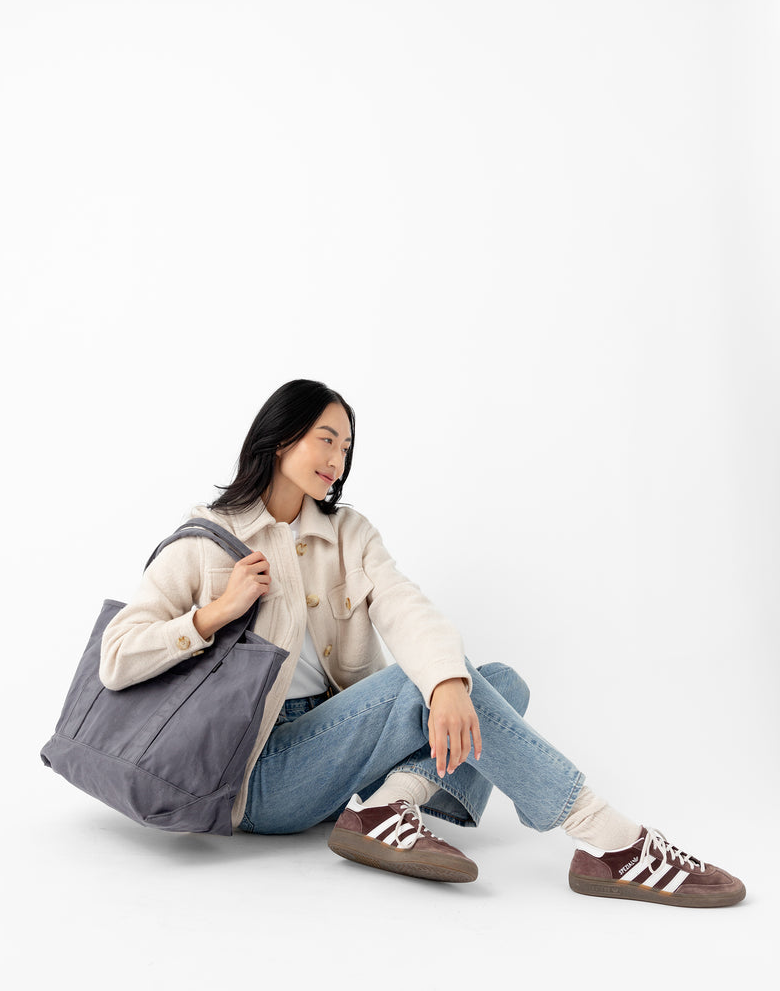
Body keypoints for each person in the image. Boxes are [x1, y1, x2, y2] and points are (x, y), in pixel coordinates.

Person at [101, 379, 745, 905]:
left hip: (337, 745)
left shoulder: (348, 532)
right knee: (439, 680)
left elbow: (406, 606)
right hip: (259, 774)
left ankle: (385, 808)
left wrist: (445, 682)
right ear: (279, 439)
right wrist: (215, 613)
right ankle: (606, 835)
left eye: (347, 447)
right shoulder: (209, 539)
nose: (337, 460)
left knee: (494, 681)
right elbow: (116, 658)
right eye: (326, 439)